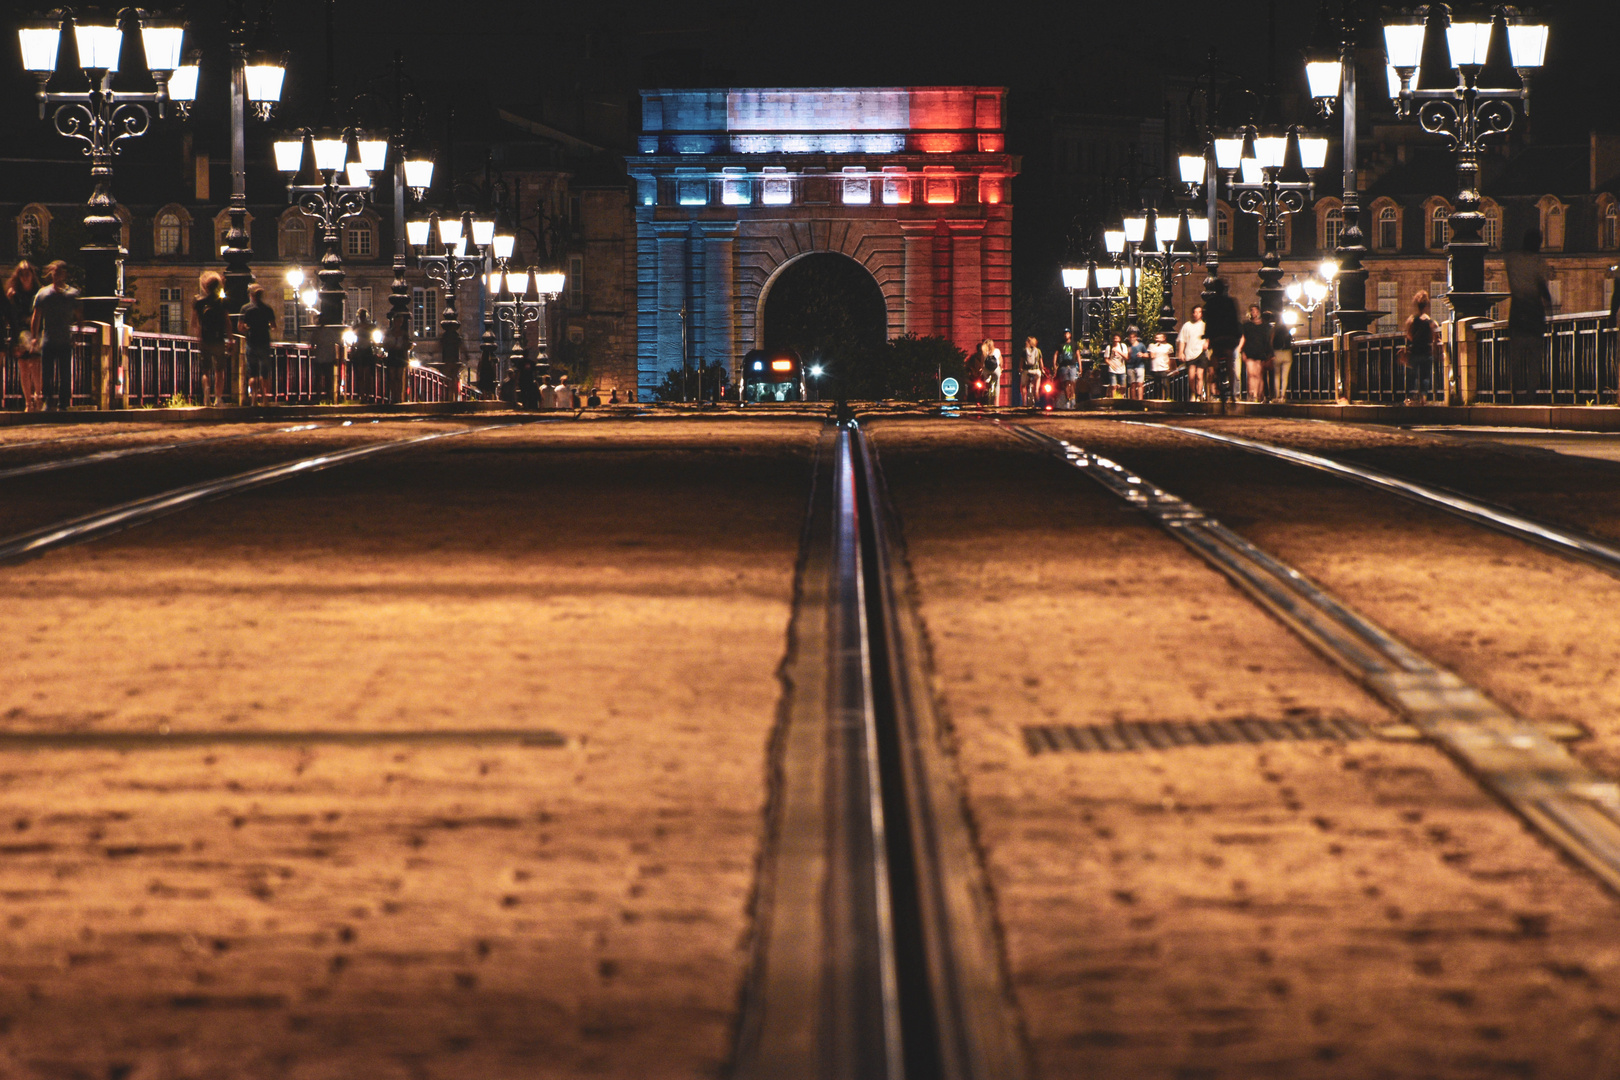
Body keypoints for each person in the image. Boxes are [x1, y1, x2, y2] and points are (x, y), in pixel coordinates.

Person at [1504, 226, 1553, 404]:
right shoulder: (1539, 262)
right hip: (1534, 312)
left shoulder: (1511, 259)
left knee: (1515, 358)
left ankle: (1515, 393)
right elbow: (1542, 287)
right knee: (1534, 357)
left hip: (1517, 311)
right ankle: (1531, 394)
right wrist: (1549, 306)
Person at [30, 260, 79, 412]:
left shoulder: (72, 294)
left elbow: (79, 315)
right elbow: (36, 316)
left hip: (64, 338)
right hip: (49, 339)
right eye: (55, 272)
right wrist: (34, 337)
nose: (57, 275)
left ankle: (63, 402)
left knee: (65, 373)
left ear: (65, 274)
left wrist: (77, 333)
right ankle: (48, 400)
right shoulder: (44, 294)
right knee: (47, 373)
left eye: (59, 272)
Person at [5, 261, 42, 411]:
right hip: (20, 333)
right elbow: (11, 315)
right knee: (24, 367)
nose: (25, 276)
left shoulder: (38, 292)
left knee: (36, 365)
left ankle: (38, 397)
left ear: (32, 275)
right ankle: (28, 402)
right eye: (22, 273)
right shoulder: (14, 293)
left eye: (27, 273)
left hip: (36, 332)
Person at [191, 270, 229, 406]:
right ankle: (218, 398)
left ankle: (206, 391)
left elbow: (194, 322)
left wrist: (198, 336)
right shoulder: (221, 302)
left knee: (205, 370)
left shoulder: (199, 302)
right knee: (219, 370)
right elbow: (227, 322)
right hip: (218, 339)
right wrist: (230, 339)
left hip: (205, 339)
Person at [1203, 278, 1242, 404]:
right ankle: (1232, 393)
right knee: (1230, 361)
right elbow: (1235, 319)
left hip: (1216, 336)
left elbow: (1209, 321)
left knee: (1214, 354)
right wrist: (1237, 335)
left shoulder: (1210, 303)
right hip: (1229, 336)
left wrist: (1207, 335)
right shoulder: (1230, 302)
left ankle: (1214, 372)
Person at [238, 282, 276, 407]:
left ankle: (253, 397)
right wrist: (267, 326)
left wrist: (248, 327)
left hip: (252, 342)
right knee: (264, 373)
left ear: (251, 295)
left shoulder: (245, 309)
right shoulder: (267, 309)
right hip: (264, 342)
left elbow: (240, 328)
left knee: (252, 372)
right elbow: (274, 326)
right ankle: (265, 398)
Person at [1403, 289, 1442, 407]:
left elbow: (1408, 335)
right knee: (1425, 376)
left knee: (1412, 375)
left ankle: (1410, 397)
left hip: (1415, 351)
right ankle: (1423, 398)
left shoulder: (1412, 320)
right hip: (1426, 351)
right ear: (1426, 306)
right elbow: (1435, 336)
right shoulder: (1431, 322)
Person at [1238, 304, 1273, 403]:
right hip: (1249, 350)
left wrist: (1268, 353)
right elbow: (1244, 338)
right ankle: (1252, 393)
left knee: (1258, 374)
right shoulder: (1247, 325)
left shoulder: (1264, 326)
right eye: (1252, 311)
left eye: (1255, 311)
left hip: (1260, 351)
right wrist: (1242, 350)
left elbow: (1267, 340)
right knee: (1251, 373)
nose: (1254, 313)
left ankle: (1258, 394)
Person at [1177, 304, 1209, 402]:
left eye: (1199, 312)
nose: (1197, 314)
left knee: (1199, 375)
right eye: (1195, 312)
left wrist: (1206, 343)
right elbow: (1183, 340)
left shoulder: (1204, 325)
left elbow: (1208, 337)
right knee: (1191, 376)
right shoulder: (1187, 326)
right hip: (1190, 353)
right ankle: (1193, 393)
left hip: (1201, 352)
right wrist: (1181, 352)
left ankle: (1199, 395)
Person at [1053, 329, 1080, 409]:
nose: (1066, 335)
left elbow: (1078, 355)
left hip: (1072, 366)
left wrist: (1080, 366)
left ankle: (1072, 399)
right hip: (1063, 366)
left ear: (1070, 335)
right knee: (1065, 383)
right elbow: (1056, 354)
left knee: (1073, 382)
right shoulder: (1060, 345)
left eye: (1067, 333)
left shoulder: (1074, 344)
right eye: (1064, 334)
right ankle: (1068, 400)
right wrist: (1054, 364)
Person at [1271, 316, 1295, 403]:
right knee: (1285, 376)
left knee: (1277, 375)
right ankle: (1283, 395)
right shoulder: (1287, 330)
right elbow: (1292, 342)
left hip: (1277, 353)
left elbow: (1271, 341)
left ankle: (1277, 395)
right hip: (1287, 353)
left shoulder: (1274, 330)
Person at [1124, 328, 1149, 401]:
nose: (1131, 339)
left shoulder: (1141, 345)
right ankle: (1133, 401)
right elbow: (1127, 359)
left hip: (1139, 366)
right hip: (1130, 366)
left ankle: (1140, 400)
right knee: (1132, 385)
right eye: (1130, 337)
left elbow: (1147, 355)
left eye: (1133, 337)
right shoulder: (1128, 347)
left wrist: (1142, 355)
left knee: (1140, 384)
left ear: (1136, 337)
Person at [1021, 335, 1046, 408]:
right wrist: (1042, 370)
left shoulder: (1024, 350)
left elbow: (1021, 361)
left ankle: (1024, 402)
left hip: (1027, 371)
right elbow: (1041, 362)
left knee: (1023, 386)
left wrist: (1020, 368)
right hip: (1036, 371)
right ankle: (1037, 391)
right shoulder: (1038, 351)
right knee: (1038, 377)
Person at [1147, 331, 1174, 399]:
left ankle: (1167, 398)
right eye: (1156, 338)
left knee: (1165, 384)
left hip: (1164, 367)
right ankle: (1157, 398)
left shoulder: (1169, 346)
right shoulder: (1152, 346)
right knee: (1157, 385)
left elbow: (1171, 358)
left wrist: (1172, 368)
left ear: (1164, 338)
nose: (1157, 339)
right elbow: (1151, 355)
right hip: (1155, 368)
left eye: (1159, 338)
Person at [1103, 332, 1128, 398]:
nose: (1115, 339)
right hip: (1112, 370)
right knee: (1113, 386)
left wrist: (1119, 352)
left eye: (1117, 338)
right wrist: (1110, 364)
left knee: (1123, 386)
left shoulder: (1123, 346)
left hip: (1122, 369)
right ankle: (1113, 399)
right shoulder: (1109, 347)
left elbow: (1126, 357)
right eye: (1114, 338)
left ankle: (1121, 399)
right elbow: (1106, 359)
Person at [967, 340, 989, 405]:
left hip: (980, 376)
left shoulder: (985, 357)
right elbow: (969, 366)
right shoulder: (975, 357)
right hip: (977, 376)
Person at [982, 337, 1002, 406]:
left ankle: (986, 389)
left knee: (985, 380)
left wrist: (982, 368)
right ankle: (997, 404)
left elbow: (983, 362)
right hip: (996, 370)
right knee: (997, 385)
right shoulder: (997, 351)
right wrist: (1001, 368)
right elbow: (1001, 361)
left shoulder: (985, 352)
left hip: (987, 370)